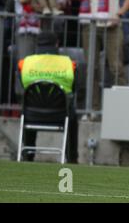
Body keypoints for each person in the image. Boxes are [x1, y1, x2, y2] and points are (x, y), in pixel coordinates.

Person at [18, 31, 78, 163]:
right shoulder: (69, 64)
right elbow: (74, 89)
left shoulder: (25, 63)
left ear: (36, 44)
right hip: (60, 113)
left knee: (28, 104)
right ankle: (72, 157)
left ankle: (28, 156)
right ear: (57, 44)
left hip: (31, 115)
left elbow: (22, 87)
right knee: (72, 114)